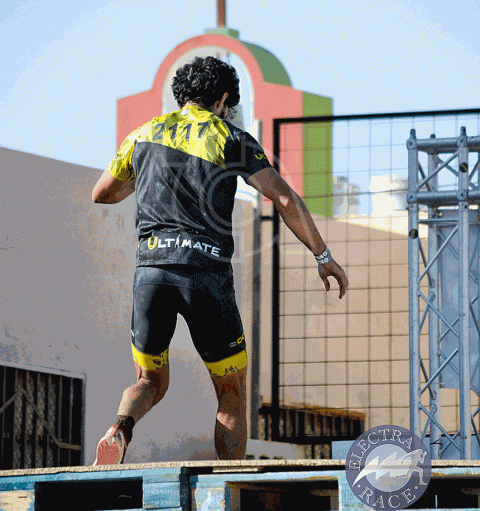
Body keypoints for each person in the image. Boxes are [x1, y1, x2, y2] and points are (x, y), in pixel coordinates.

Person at [91, 55, 348, 465]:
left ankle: (119, 429)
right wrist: (323, 255)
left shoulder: (144, 133)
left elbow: (102, 193)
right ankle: (225, 480)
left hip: (151, 274)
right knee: (230, 391)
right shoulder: (230, 138)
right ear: (224, 99)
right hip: (205, 275)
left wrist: (149, 174)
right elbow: (283, 197)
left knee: (150, 379)